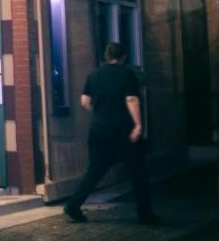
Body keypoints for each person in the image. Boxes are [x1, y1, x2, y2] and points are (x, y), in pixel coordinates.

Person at [63, 42, 158, 224]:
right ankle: (145, 213)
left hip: (99, 129)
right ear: (124, 57)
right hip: (123, 129)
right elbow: (131, 99)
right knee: (137, 171)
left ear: (107, 57)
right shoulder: (127, 74)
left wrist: (99, 115)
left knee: (95, 169)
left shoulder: (94, 75)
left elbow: (84, 101)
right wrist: (138, 125)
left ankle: (73, 205)